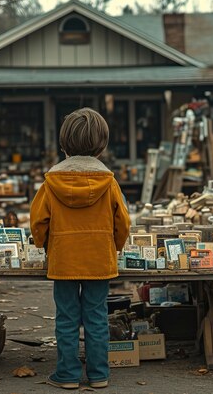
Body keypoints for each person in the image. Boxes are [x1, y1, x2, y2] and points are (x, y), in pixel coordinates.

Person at [30, 108, 131, 390]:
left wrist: (43, 244)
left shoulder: (51, 182)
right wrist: (117, 246)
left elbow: (38, 222)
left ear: (64, 144)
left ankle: (68, 375)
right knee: (97, 316)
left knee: (66, 317)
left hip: (63, 259)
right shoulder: (108, 181)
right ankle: (99, 375)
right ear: (102, 144)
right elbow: (122, 222)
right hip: (99, 259)